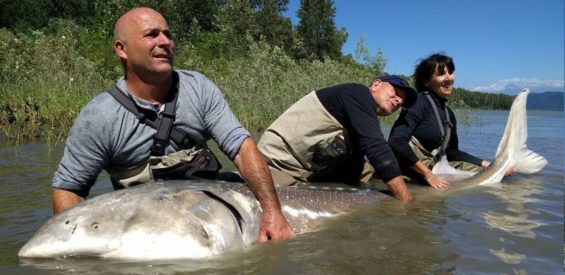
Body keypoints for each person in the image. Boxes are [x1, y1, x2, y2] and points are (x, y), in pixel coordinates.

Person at [51, 7, 293, 242]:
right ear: (121, 49)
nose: (165, 41)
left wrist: (273, 212)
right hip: (150, 225)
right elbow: (69, 189)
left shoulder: (198, 88)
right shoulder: (99, 117)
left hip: (212, 211)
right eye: (151, 34)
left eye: (168, 34)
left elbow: (241, 148)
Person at [257, 75, 417, 201]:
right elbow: (376, 147)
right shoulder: (358, 93)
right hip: (276, 165)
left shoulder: (358, 116)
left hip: (306, 170)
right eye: (396, 93)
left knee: (367, 170)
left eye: (402, 101)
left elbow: (355, 167)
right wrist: (406, 200)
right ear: (376, 85)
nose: (399, 101)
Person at [388, 53, 511, 189]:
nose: (448, 78)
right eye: (441, 74)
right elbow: (396, 142)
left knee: (497, 175)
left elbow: (452, 153)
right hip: (411, 173)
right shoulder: (418, 103)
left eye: (450, 72)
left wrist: (486, 164)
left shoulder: (449, 114)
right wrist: (428, 174)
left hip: (437, 170)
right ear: (426, 81)